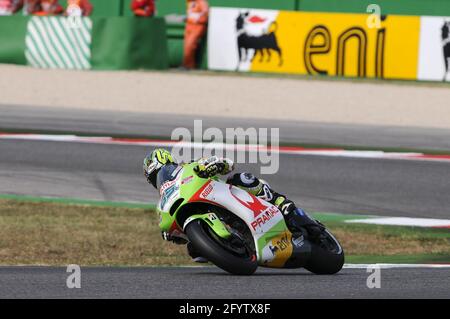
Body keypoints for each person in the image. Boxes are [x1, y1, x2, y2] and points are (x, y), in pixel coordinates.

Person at [143, 148, 325, 263]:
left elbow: (227, 164)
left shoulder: (190, 168)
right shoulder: (164, 201)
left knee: (241, 179)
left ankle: (284, 205)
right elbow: (173, 233)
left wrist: (215, 164)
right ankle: (231, 247)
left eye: (161, 171)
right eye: (155, 178)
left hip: (225, 196)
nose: (160, 179)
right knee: (194, 251)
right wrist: (172, 234)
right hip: (207, 217)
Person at [182, 0, 209, 69]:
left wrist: (196, 18)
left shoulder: (202, 2)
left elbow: (205, 13)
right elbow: (191, 14)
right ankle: (187, 65)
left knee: (190, 45)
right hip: (189, 25)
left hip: (197, 26)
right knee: (186, 46)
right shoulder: (189, 2)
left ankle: (189, 66)